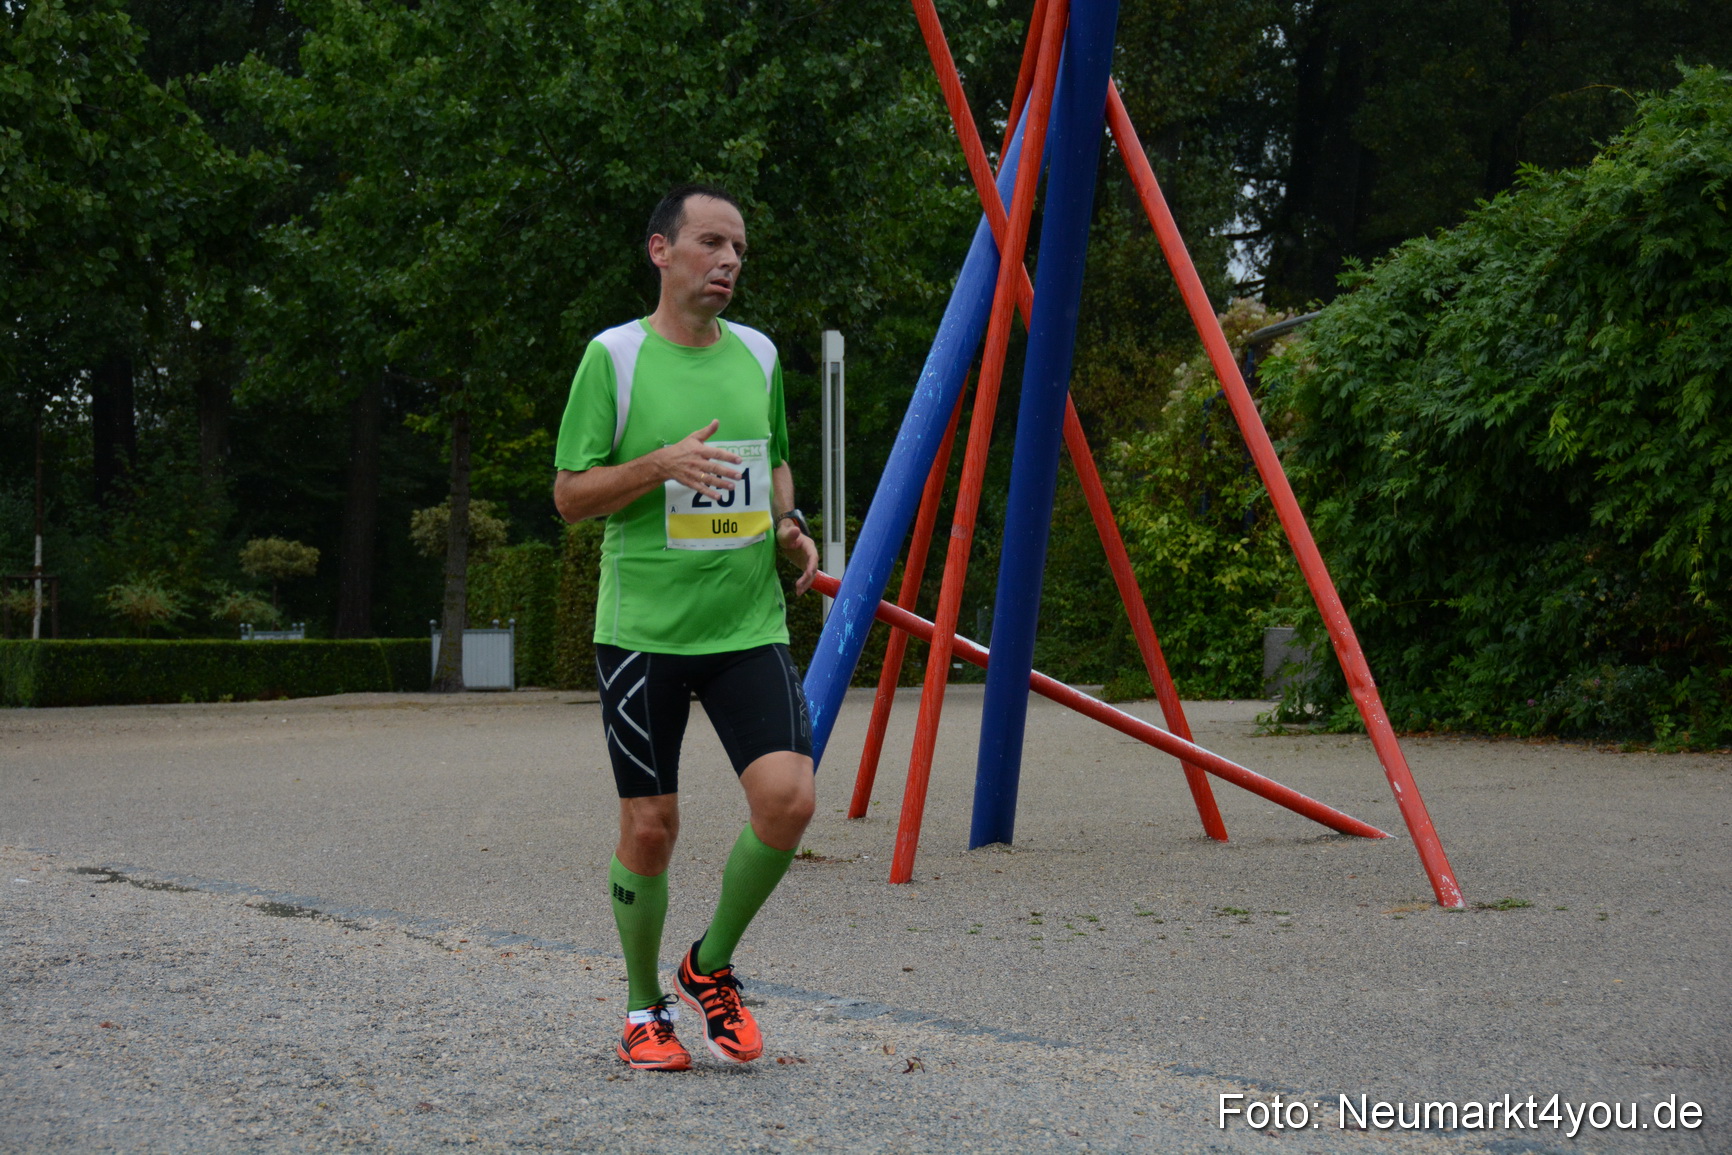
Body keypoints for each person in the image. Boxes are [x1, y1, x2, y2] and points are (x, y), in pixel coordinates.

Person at [552, 185, 820, 1072]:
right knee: (652, 825)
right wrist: (659, 464)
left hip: (747, 624)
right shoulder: (614, 358)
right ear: (661, 251)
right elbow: (568, 495)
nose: (730, 260)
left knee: (789, 800)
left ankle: (709, 965)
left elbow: (773, 463)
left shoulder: (760, 356)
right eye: (710, 242)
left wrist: (790, 527)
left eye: (738, 247)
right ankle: (641, 1008)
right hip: (643, 635)